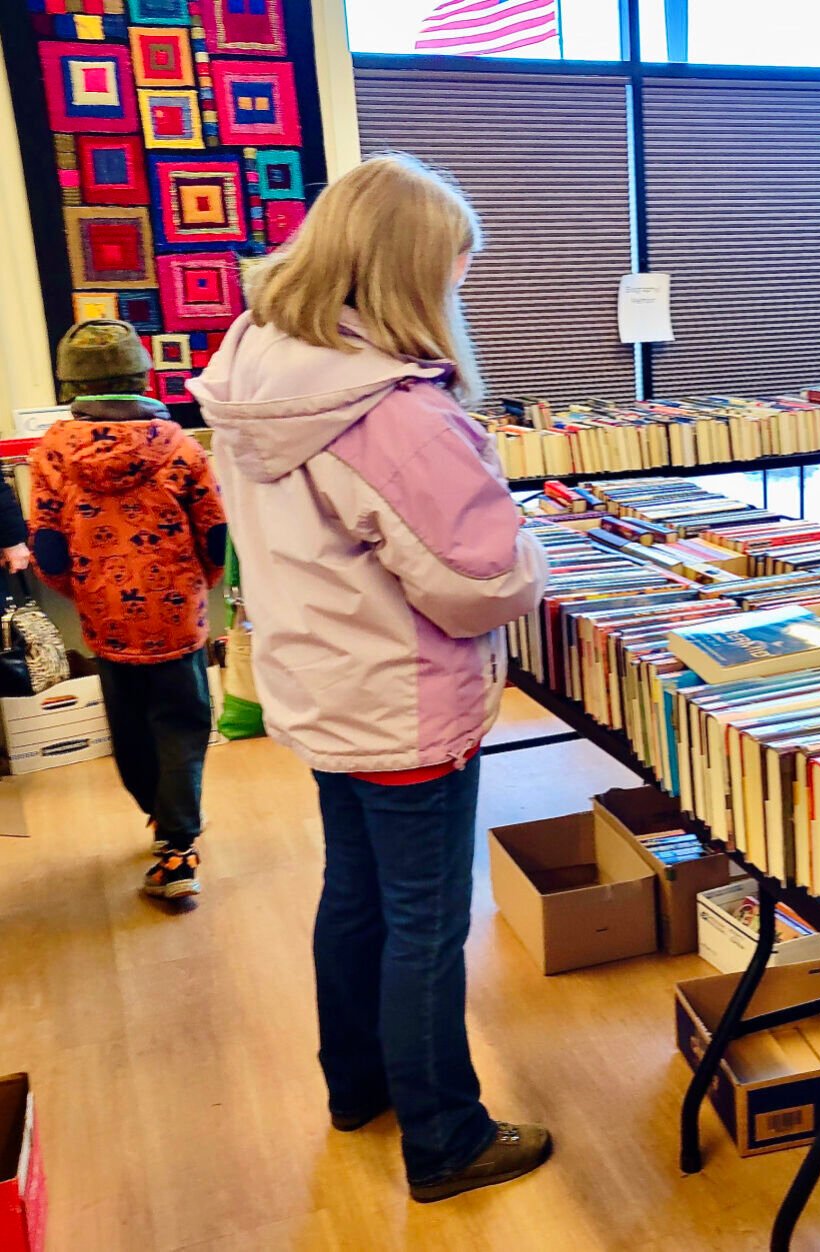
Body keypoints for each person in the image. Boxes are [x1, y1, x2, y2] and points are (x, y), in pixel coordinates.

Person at [189, 153, 552, 1204]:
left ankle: (357, 1088)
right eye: (453, 272)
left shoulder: (258, 359)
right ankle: (446, 1138)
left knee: (356, 895)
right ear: (405, 273)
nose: (460, 294)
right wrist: (531, 553)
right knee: (427, 921)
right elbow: (477, 582)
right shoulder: (391, 410)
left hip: (322, 685)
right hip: (403, 700)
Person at [29, 319, 226, 899]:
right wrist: (196, 585)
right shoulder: (180, 446)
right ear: (142, 375)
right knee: (183, 724)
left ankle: (160, 814)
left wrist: (87, 593)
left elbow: (47, 547)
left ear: (71, 388)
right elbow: (214, 536)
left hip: (105, 618)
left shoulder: (51, 455)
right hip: (175, 615)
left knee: (131, 728)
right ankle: (177, 847)